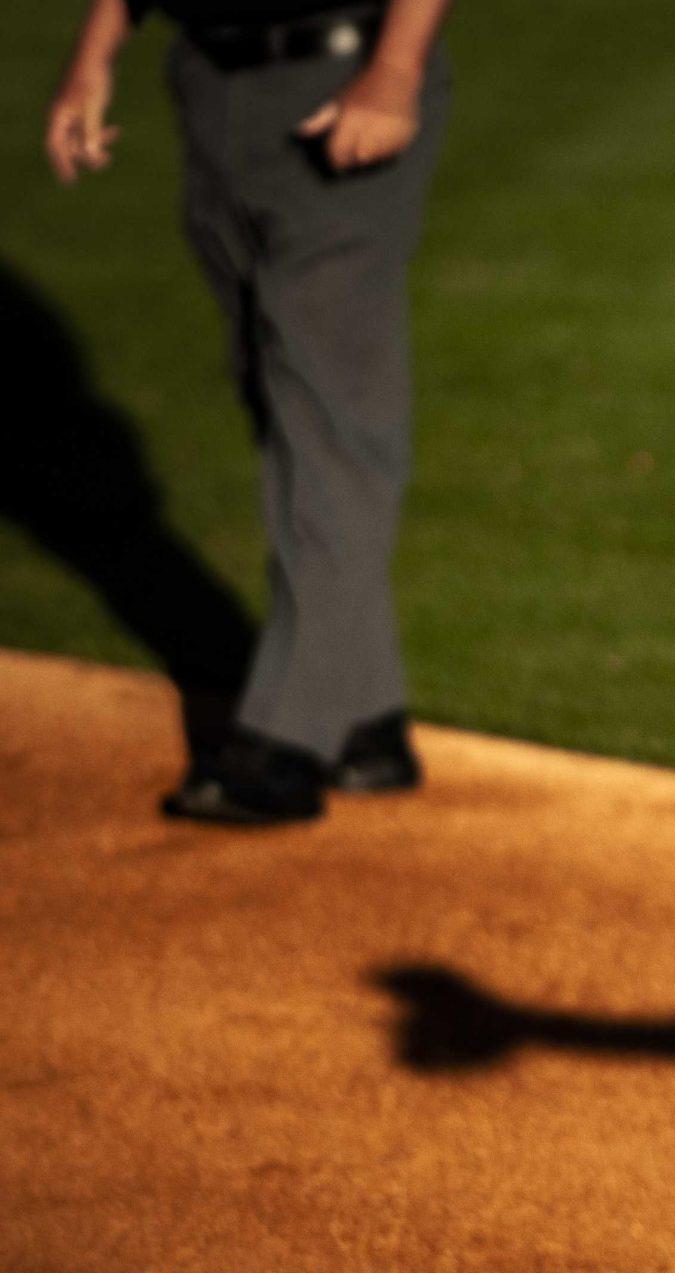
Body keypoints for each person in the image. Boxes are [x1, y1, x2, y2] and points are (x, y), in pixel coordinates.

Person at [44, 0, 457, 824]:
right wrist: (94, 58)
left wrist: (397, 70)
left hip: (345, 81)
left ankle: (285, 739)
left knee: (333, 415)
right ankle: (361, 718)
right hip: (211, 87)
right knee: (280, 399)